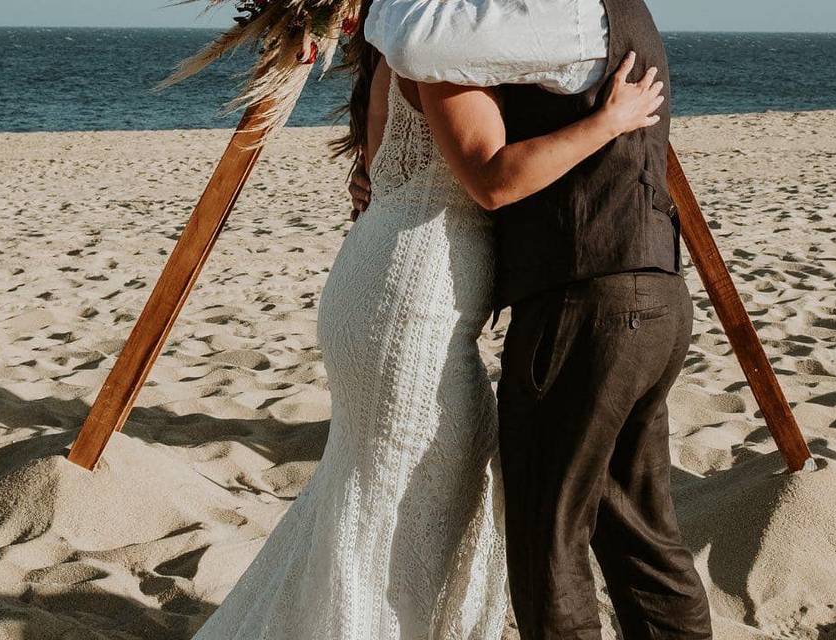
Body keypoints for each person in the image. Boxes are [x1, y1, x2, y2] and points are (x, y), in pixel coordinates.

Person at [190, 0, 667, 637]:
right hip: (412, 295)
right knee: (404, 494)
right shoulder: (442, 50)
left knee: (382, 489)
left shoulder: (405, 42)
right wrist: (607, 122)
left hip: (400, 276)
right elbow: (492, 181)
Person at [353, 0, 715, 638]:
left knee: (548, 541)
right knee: (641, 537)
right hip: (653, 289)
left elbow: (419, 41)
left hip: (584, 303)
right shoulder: (613, 18)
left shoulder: (568, 16)